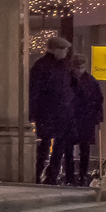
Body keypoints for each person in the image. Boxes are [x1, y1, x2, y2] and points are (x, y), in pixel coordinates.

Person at [28, 36, 76, 185]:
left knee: (55, 145)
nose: (66, 53)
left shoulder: (60, 66)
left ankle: (50, 174)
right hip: (49, 112)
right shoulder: (45, 66)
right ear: (55, 49)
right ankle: (41, 173)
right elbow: (35, 90)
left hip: (57, 112)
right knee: (46, 145)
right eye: (64, 49)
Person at [71, 55, 104, 184]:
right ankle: (71, 173)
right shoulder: (69, 79)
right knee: (68, 147)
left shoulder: (91, 82)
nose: (79, 70)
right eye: (77, 67)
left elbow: (98, 100)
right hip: (72, 118)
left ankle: (83, 173)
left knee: (84, 148)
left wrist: (98, 117)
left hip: (86, 119)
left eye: (81, 67)